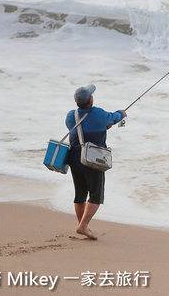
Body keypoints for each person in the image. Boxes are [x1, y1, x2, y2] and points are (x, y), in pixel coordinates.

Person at [65, 84, 126, 240]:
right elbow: (114, 117)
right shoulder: (98, 113)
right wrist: (122, 113)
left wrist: (103, 127)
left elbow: (82, 130)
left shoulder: (71, 116)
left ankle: (82, 225)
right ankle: (84, 226)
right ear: (90, 101)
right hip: (93, 159)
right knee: (95, 196)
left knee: (80, 194)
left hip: (74, 159)